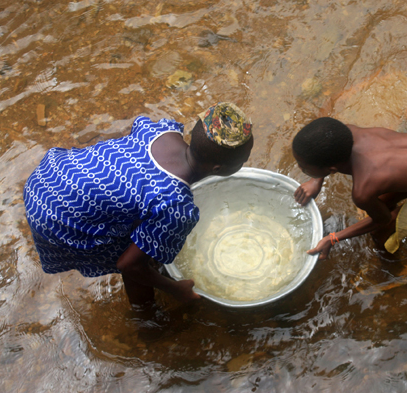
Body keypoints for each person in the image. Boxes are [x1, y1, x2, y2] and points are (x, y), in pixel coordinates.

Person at [24, 102, 254, 307]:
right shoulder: (176, 207)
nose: (245, 163)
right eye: (243, 160)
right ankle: (143, 315)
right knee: (134, 258)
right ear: (218, 169)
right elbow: (128, 265)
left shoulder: (163, 131)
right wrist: (176, 289)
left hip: (53, 173)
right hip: (55, 215)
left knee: (139, 229)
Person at [292, 117, 407, 259]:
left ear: (331, 169)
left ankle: (392, 269)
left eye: (304, 168)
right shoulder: (349, 133)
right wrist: (316, 179)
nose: (301, 169)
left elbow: (381, 221)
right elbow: (329, 144)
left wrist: (333, 238)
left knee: (382, 232)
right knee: (382, 202)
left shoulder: (363, 190)